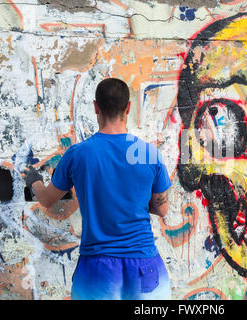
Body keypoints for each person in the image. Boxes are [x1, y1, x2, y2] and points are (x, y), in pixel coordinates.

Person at [22, 78, 172, 300]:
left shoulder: (77, 154)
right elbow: (162, 209)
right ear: (128, 107)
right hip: (145, 266)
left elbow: (46, 200)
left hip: (98, 268)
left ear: (95, 107)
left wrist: (33, 179)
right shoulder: (149, 153)